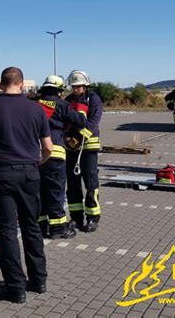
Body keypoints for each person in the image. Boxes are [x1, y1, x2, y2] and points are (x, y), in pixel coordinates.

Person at [0, 67, 53, 303]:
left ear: (0, 85)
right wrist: (37, 163)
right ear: (21, 85)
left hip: (1, 175)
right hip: (30, 175)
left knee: (7, 232)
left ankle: (16, 288)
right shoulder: (36, 109)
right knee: (32, 228)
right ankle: (38, 281)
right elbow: (48, 147)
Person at [34, 75, 87, 239]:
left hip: (35, 154)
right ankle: (58, 229)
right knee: (55, 191)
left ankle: (41, 226)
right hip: (55, 152)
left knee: (39, 191)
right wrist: (82, 108)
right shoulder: (62, 105)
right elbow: (80, 122)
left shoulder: (34, 103)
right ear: (58, 91)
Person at [65, 70, 103, 233]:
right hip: (71, 148)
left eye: (79, 87)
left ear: (85, 85)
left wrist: (80, 137)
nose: (76, 90)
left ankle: (92, 218)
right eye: (74, 87)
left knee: (90, 183)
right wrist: (67, 137)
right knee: (73, 185)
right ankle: (76, 217)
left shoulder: (93, 98)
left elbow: (94, 120)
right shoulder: (67, 100)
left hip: (88, 147)